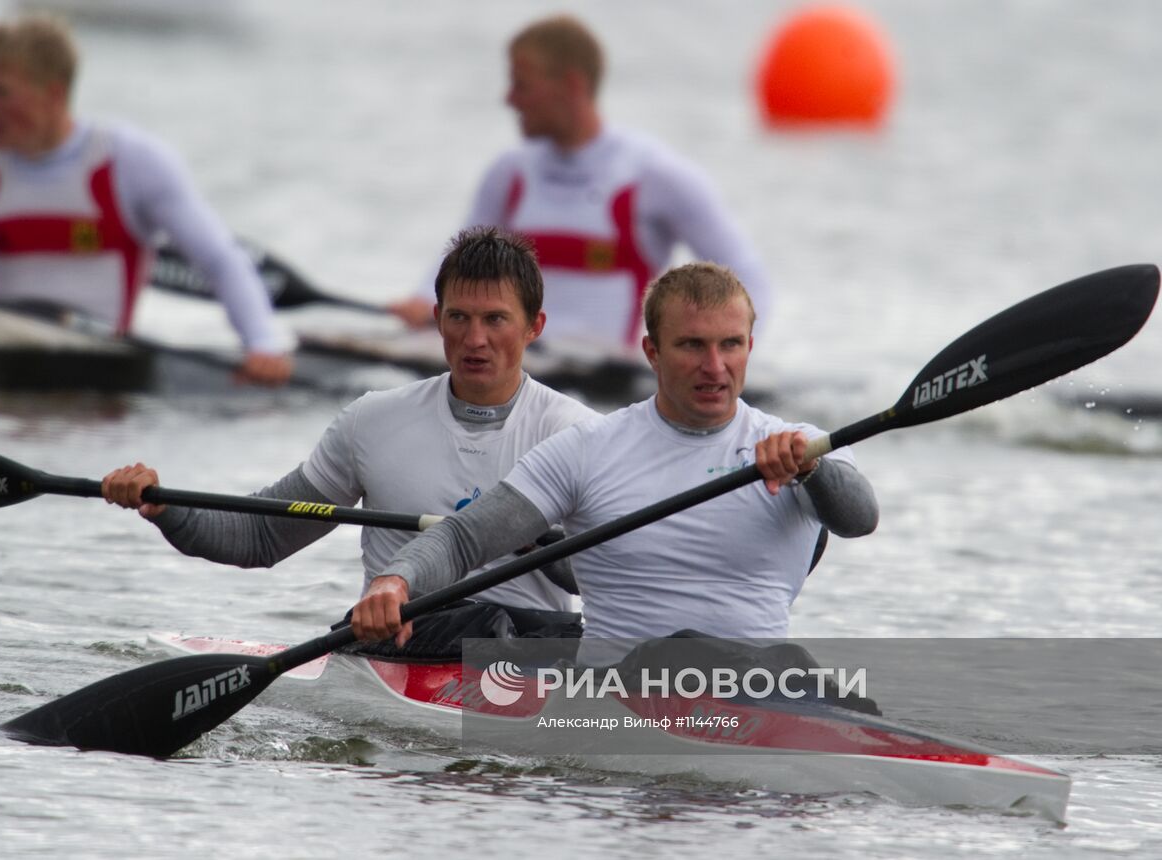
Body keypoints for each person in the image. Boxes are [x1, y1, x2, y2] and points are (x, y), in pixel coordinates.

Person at [354, 261, 877, 659]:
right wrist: (395, 582)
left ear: (750, 346)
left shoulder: (800, 445)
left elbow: (861, 519)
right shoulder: (588, 449)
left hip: (761, 688)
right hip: (617, 698)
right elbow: (464, 538)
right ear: (651, 352)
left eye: (730, 345)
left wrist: (812, 469)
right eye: (692, 346)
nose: (714, 367)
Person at [102, 226, 600, 642]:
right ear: (436, 320)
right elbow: (260, 537)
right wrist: (164, 506)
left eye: (495, 320)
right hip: (405, 646)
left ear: (534, 326)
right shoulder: (375, 421)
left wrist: (534, 543)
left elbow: (620, 578)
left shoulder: (576, 434)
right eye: (459, 318)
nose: (475, 339)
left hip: (528, 655)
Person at [0, 13, 292, 385]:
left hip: (103, 367)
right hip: (10, 353)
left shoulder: (131, 163)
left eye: (2, 92)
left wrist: (262, 345)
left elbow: (220, 261)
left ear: (53, 94)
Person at [389, 14, 773, 354]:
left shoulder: (656, 176)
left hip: (608, 387)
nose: (510, 99)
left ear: (571, 85)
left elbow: (748, 279)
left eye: (522, 85)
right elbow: (454, 263)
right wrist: (424, 301)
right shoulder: (509, 175)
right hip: (520, 371)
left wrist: (725, 361)